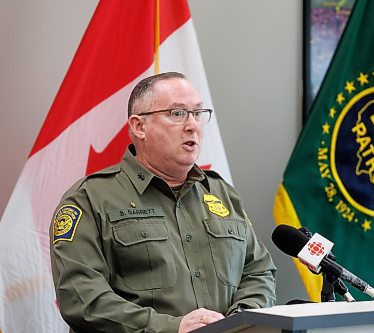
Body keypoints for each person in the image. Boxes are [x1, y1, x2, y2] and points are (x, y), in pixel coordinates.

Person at [49, 72, 277, 333]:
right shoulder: (89, 199)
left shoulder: (222, 193)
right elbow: (81, 298)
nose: (192, 125)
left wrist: (239, 320)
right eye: (177, 114)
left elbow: (259, 271)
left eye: (198, 113)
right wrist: (171, 327)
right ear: (139, 126)